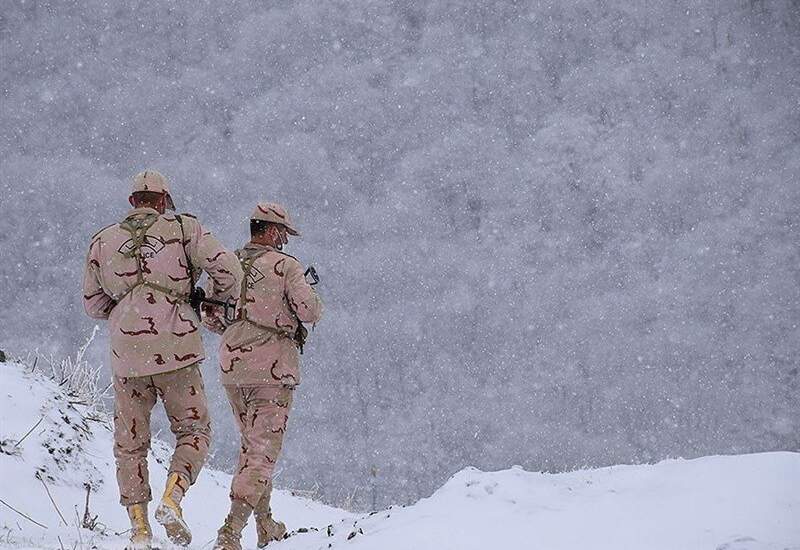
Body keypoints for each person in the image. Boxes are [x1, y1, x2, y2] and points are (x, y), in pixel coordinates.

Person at [82, 170, 243, 549]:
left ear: (132, 202)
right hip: (178, 351)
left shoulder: (103, 240)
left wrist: (127, 312)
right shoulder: (185, 229)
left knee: (130, 443)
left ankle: (139, 528)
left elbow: (92, 305)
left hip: (127, 359)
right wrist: (211, 304)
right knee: (194, 431)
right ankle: (173, 496)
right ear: (164, 201)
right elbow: (229, 268)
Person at [206, 202, 323, 550]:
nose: (285, 240)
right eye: (284, 233)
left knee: (252, 444)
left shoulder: (225, 265)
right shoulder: (287, 267)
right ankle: (231, 530)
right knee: (262, 451)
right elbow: (311, 310)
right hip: (272, 370)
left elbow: (210, 317)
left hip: (232, 370)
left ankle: (265, 523)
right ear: (272, 231)